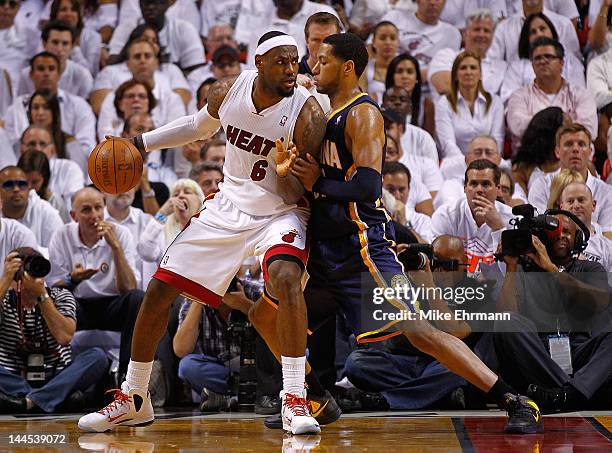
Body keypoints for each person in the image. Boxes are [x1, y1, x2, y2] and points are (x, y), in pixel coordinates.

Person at [254, 32, 543, 434]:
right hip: (326, 253)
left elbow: (370, 187)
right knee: (265, 314)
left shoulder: (363, 114)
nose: (313, 68)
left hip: (362, 249)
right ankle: (315, 399)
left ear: (348, 67)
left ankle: (512, 398)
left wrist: (318, 182)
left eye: (322, 61)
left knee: (421, 332)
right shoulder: (323, 112)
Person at [78, 31, 331, 435]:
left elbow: (316, 183)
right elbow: (197, 127)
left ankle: (295, 399)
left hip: (281, 209)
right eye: (281, 61)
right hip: (229, 204)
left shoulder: (307, 113)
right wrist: (141, 142)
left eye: (294, 61)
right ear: (259, 63)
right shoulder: (227, 91)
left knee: (284, 279)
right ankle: (135, 396)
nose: (290, 69)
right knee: (159, 288)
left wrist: (293, 177)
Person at [344, 235, 493, 410]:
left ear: (464, 262)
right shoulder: (411, 281)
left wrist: (429, 287)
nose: (441, 271)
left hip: (444, 361)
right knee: (356, 363)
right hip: (403, 361)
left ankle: (386, 399)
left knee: (461, 370)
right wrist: (393, 269)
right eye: (437, 263)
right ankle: (440, 396)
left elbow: (455, 332)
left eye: (449, 265)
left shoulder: (477, 291)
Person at [496, 213, 612, 412]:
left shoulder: (590, 268)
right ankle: (577, 395)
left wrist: (551, 269)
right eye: (555, 231)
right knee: (506, 321)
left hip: (578, 352)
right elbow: (506, 316)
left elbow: (598, 302)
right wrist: (511, 267)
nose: (561, 236)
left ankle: (566, 395)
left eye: (567, 232)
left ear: (578, 239)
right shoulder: (524, 270)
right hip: (538, 355)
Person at [48, 187, 143, 382]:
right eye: (86, 210)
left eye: (99, 208)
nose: (95, 216)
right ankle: (53, 371)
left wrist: (115, 248)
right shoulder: (62, 235)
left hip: (112, 304)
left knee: (138, 299)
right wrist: (73, 279)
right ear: (74, 216)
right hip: (78, 305)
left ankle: (128, 376)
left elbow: (130, 288)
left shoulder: (120, 233)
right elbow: (53, 288)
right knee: (49, 299)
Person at [0, 247, 108, 414]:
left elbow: (64, 336)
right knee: (73, 399)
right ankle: (53, 398)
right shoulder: (4, 297)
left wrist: (42, 296)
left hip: (56, 374)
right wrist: (6, 279)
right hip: (14, 375)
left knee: (98, 357)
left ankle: (27, 402)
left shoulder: (60, 295)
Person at [506, 38, 597, 152]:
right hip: (531, 161)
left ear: (561, 63)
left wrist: (537, 123)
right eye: (537, 58)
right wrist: (561, 121)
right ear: (532, 65)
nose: (543, 61)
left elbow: (589, 131)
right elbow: (518, 127)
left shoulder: (581, 94)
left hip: (572, 161)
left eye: (548, 56)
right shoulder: (519, 96)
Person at [432, 159, 513, 273]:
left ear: (498, 189)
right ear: (465, 188)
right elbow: (438, 270)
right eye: (473, 184)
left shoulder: (512, 220)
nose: (479, 190)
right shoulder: (446, 216)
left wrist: (498, 229)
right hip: (457, 288)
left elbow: (512, 274)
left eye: (486, 184)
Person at [528, 123, 612, 230]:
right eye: (568, 144)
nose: (575, 149)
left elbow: (609, 236)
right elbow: (538, 228)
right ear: (557, 151)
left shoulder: (607, 192)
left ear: (590, 152)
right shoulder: (541, 185)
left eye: (581, 144)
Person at [500, 13, 585, 103]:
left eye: (542, 29)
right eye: (533, 32)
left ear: (552, 32)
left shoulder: (571, 62)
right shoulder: (517, 67)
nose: (539, 34)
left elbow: (580, 96)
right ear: (527, 39)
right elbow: (509, 99)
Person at [435, 50, 504, 158]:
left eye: (473, 68)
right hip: (456, 162)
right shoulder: (444, 103)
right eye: (463, 68)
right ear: (456, 75)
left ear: (480, 74)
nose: (468, 72)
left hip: (489, 161)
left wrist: (486, 162)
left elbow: (498, 139)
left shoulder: (495, 102)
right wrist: (468, 163)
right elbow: (447, 144)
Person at [107, 0, 205, 72]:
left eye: (156, 2)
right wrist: (131, 41)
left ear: (168, 4)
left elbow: (197, 71)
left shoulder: (184, 29)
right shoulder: (126, 28)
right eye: (146, 2)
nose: (151, 7)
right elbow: (111, 65)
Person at [429, 9, 506, 98]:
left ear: (492, 36)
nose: (481, 35)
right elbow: (444, 86)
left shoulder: (501, 67)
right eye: (477, 29)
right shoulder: (445, 56)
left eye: (486, 31)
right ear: (465, 33)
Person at [17, 20, 93, 98]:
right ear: (44, 44)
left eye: (65, 43)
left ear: (72, 46)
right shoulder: (26, 74)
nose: (59, 49)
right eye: (55, 42)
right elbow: (21, 105)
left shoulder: (83, 75)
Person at [0, 166, 63, 250]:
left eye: (22, 184)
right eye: (9, 185)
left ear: (29, 188)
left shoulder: (46, 212)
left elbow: (60, 252)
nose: (16, 189)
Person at [511, 107, 566, 199]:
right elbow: (518, 201)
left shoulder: (579, 164)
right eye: (566, 130)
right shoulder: (523, 169)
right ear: (549, 133)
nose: (571, 134)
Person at [558, 182, 612, 274]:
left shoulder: (607, 247)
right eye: (570, 201)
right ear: (561, 207)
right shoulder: (553, 239)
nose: (576, 206)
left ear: (593, 205)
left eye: (581, 200)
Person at [385, 53, 435, 135]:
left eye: (410, 72)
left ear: (417, 78)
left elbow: (428, 139)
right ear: (392, 77)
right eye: (399, 71)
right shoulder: (377, 100)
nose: (405, 76)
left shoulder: (427, 105)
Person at [17, 150, 70, 223]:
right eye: (24, 182)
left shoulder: (56, 203)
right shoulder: (11, 201)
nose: (29, 187)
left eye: (35, 182)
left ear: (45, 179)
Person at [361, 21, 399, 103]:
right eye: (382, 38)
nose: (388, 42)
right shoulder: (365, 70)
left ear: (398, 42)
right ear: (373, 42)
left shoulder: (406, 68)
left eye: (392, 38)